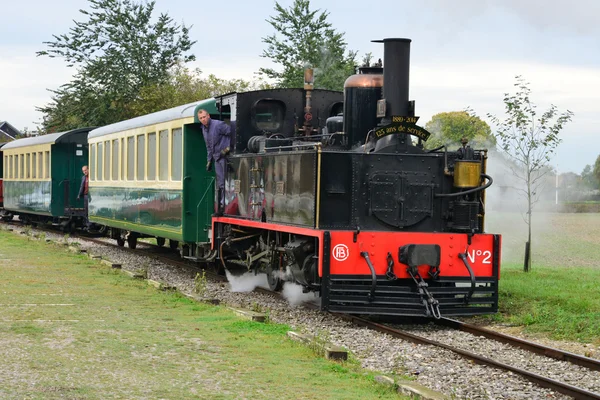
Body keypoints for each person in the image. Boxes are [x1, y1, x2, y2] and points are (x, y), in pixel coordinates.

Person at [198, 109, 231, 215]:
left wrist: (228, 149)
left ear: (208, 116)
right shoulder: (203, 129)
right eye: (201, 118)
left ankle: (227, 206)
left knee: (227, 182)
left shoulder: (218, 124)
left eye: (204, 117)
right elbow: (208, 146)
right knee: (220, 183)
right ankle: (221, 208)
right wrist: (208, 161)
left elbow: (233, 134)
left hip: (226, 156)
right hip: (217, 158)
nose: (203, 119)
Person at [76, 165, 91, 229]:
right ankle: (88, 224)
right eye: (83, 171)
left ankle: (90, 224)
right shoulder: (83, 178)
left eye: (85, 170)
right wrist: (79, 195)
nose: (85, 172)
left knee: (90, 210)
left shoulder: (91, 177)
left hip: (90, 195)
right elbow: (81, 187)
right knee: (86, 210)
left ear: (88, 169)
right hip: (85, 195)